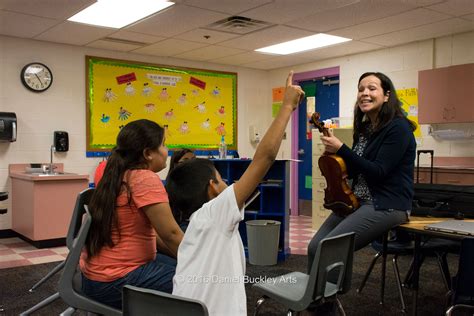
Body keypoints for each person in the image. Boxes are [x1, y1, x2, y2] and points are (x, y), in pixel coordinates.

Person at [165, 71, 304, 316]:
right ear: (211, 187)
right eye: (221, 180)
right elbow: (265, 157)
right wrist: (287, 106)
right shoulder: (213, 214)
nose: (227, 183)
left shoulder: (194, 229)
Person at [307, 72, 417, 271]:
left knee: (330, 249)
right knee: (315, 247)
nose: (364, 93)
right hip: (357, 200)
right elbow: (356, 168)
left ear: (387, 95)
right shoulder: (366, 128)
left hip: (387, 204)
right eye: (360, 89)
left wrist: (341, 149)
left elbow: (378, 171)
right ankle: (315, 297)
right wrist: (336, 157)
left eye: (372, 88)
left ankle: (326, 299)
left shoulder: (398, 128)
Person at [80, 119, 184, 309]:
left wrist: (185, 258)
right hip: (114, 283)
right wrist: (203, 262)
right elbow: (172, 235)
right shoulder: (145, 178)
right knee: (198, 281)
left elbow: (157, 236)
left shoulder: (117, 174)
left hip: (94, 278)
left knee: (179, 267)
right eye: (163, 144)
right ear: (148, 153)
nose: (166, 150)